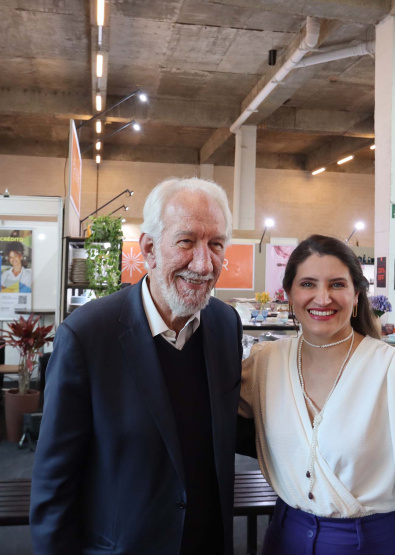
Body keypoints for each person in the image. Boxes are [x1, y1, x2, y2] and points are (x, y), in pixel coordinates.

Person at [30, 177, 243, 554]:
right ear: (149, 248)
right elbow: (54, 482)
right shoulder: (87, 335)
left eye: (216, 244)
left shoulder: (226, 325)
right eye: (186, 241)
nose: (203, 264)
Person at [239, 235, 395, 555]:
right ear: (289, 294)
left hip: (366, 542)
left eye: (337, 284)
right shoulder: (265, 363)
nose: (322, 297)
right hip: (284, 538)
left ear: (357, 296)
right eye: (308, 284)